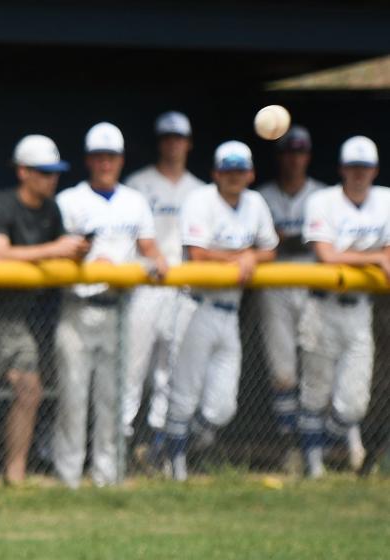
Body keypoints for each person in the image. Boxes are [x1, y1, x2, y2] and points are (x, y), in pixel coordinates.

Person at [0, 135, 85, 485]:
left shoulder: (51, 210)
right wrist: (55, 249)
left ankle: (14, 475)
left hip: (19, 319)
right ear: (23, 172)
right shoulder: (2, 204)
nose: (52, 179)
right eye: (44, 172)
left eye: (55, 173)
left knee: (29, 390)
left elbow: (60, 250)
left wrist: (76, 251)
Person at [54, 123, 162, 489]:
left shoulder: (134, 201)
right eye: (99, 157)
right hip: (78, 305)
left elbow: (149, 248)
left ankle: (107, 476)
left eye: (111, 157)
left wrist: (159, 260)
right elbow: (58, 250)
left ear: (120, 160)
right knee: (72, 397)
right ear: (88, 160)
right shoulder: (69, 200)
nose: (105, 163)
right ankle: (68, 476)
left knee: (111, 399)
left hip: (120, 309)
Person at [163, 141, 277, 481]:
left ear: (250, 173)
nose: (234, 176)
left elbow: (270, 250)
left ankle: (171, 447)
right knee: (183, 394)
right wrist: (240, 256)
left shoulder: (255, 203)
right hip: (195, 306)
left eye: (240, 170)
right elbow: (197, 254)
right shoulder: (201, 200)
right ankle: (174, 465)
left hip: (230, 313)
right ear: (216, 173)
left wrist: (250, 257)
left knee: (222, 408)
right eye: (227, 170)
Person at [297, 136, 390, 478]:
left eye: (364, 168)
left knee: (353, 404)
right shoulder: (322, 201)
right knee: (315, 391)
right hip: (323, 307)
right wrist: (375, 257)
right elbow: (327, 254)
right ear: (342, 169)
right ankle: (312, 467)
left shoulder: (386, 201)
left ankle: (319, 445)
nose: (358, 174)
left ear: (375, 170)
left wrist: (375, 258)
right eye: (353, 167)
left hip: (359, 310)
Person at [123, 112, 204, 453]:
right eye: (167, 138)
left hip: (182, 288)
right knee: (132, 366)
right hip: (144, 283)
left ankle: (158, 443)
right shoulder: (139, 183)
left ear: (188, 143)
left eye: (179, 138)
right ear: (160, 142)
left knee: (169, 371)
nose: (173, 144)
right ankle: (122, 436)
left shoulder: (200, 190)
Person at [256, 126, 331, 463]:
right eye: (288, 152)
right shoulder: (262, 196)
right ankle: (292, 444)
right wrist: (292, 240)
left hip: (313, 287)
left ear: (308, 156)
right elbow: (262, 241)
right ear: (279, 157)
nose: (294, 159)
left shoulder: (323, 196)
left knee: (317, 366)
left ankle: (316, 444)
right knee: (282, 370)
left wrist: (287, 239)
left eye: (299, 152)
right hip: (274, 288)